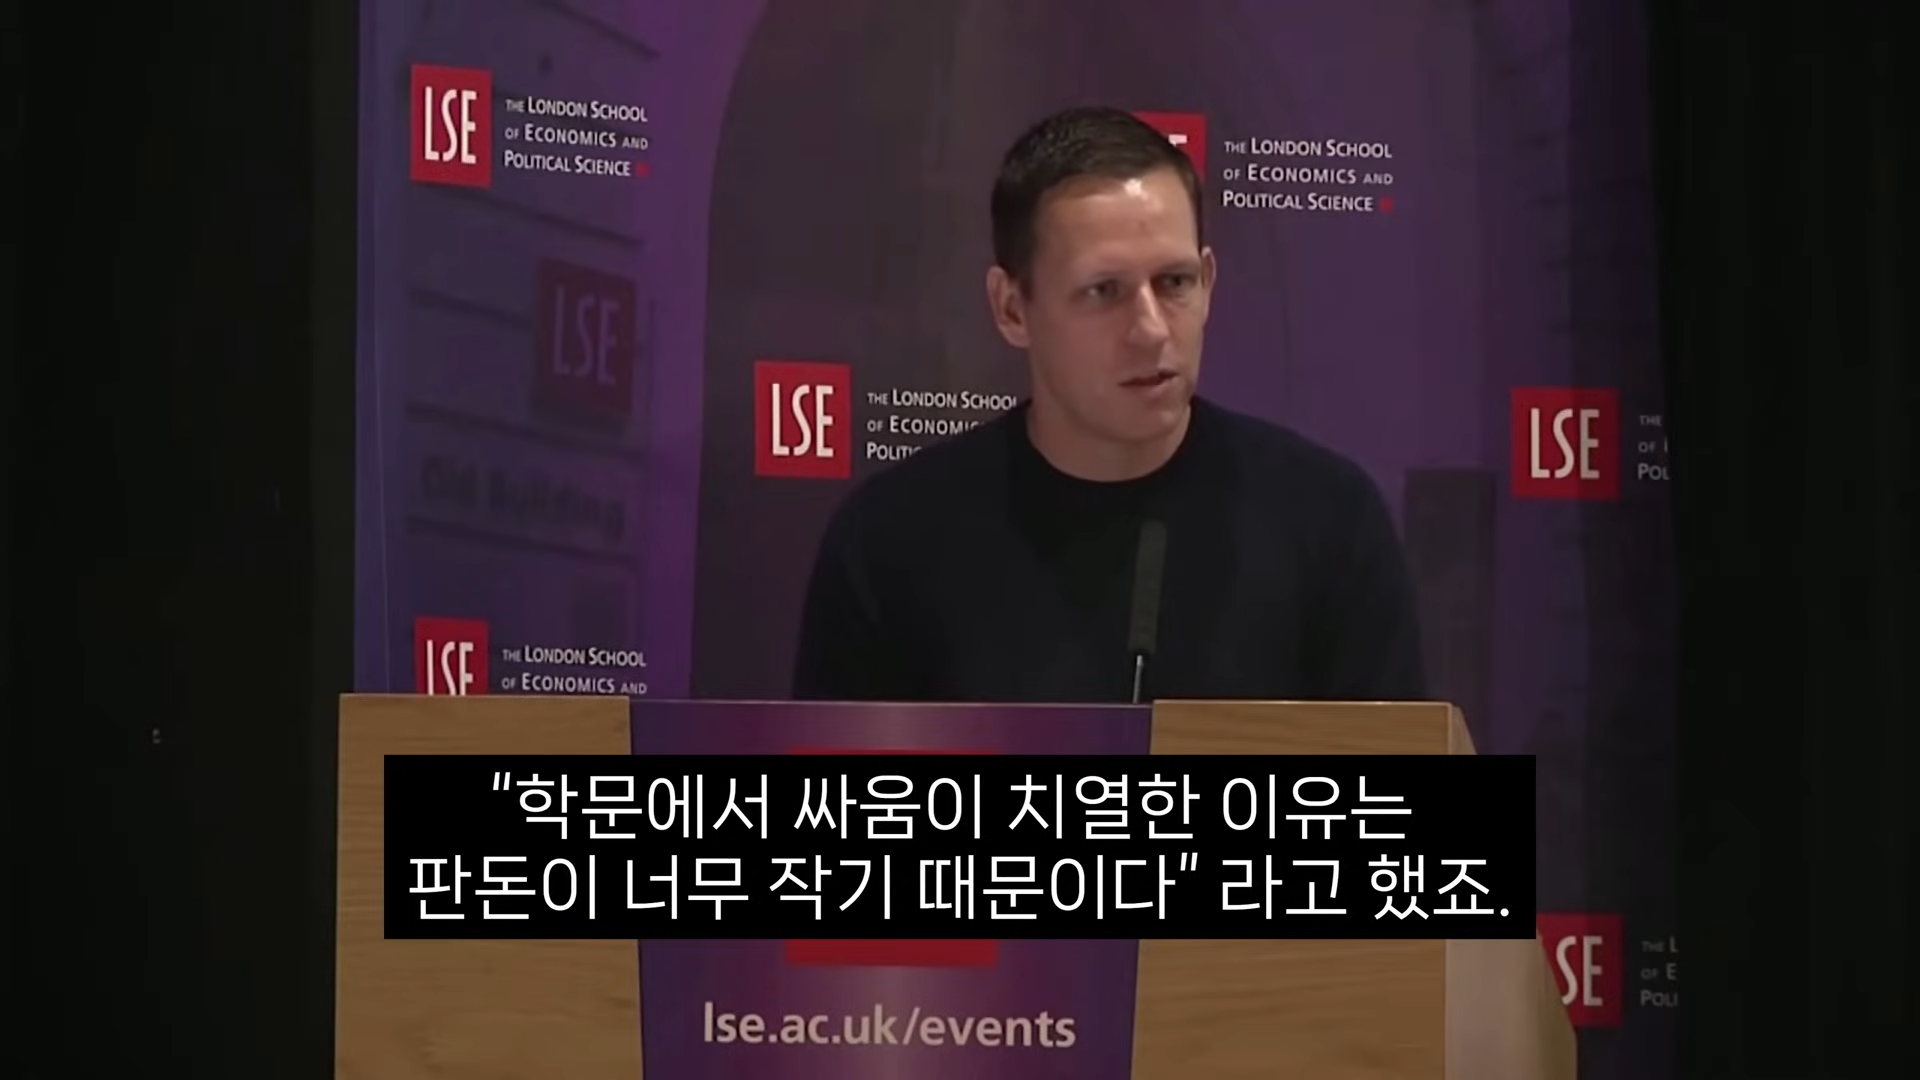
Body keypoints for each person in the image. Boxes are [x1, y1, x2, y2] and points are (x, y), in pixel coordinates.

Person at [792, 106, 1426, 704]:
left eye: (1174, 283)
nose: (1150, 329)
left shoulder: (1330, 522)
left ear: (1208, 283)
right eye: (1104, 291)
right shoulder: (890, 542)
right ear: (1012, 308)